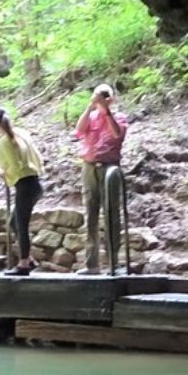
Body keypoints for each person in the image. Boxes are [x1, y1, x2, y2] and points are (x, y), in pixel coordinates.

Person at [73, 83, 128, 273]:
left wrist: (106, 112)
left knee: (111, 214)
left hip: (109, 168)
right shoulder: (91, 116)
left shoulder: (118, 117)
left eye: (105, 95)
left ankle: (114, 262)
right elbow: (79, 131)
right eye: (99, 95)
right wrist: (91, 107)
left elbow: (117, 134)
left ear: (112, 98)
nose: (101, 98)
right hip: (89, 167)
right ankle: (91, 264)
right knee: (91, 215)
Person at [0, 107, 44, 276]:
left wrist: (4, 174)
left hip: (25, 184)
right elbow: (37, 156)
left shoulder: (5, 141)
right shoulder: (22, 133)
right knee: (14, 222)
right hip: (34, 182)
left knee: (21, 224)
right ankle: (28, 259)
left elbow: (14, 166)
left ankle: (23, 264)